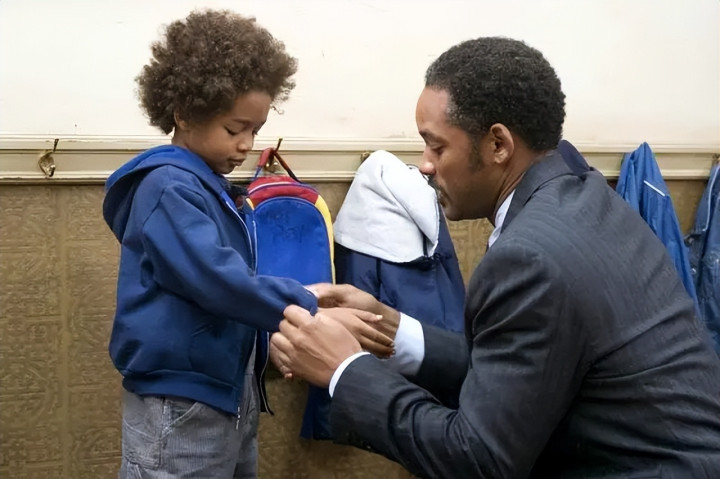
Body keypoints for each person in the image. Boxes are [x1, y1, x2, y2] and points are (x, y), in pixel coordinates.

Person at [270, 37, 720, 478]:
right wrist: (393, 330)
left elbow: (478, 460)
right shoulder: (581, 193)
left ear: (498, 145)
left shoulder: (530, 257)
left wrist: (344, 369)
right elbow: (519, 372)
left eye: (437, 146)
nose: (425, 165)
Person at [102, 10, 392, 478]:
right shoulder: (168, 188)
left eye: (254, 131)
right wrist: (307, 309)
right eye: (234, 129)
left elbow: (226, 294)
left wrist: (275, 334)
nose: (246, 145)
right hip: (180, 401)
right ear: (183, 113)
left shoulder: (210, 188)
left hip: (227, 390)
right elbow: (219, 283)